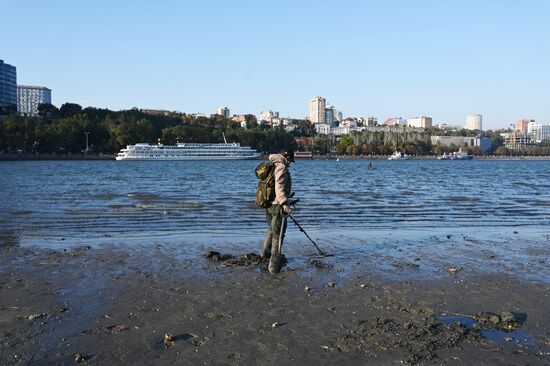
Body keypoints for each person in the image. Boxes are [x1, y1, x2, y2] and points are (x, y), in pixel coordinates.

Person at [261, 150, 294, 273]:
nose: (290, 163)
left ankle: (265, 254)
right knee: (278, 233)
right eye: (290, 160)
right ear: (287, 158)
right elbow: (279, 186)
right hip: (277, 205)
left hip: (268, 204)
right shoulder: (281, 167)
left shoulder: (271, 164)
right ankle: (274, 264)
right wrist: (284, 203)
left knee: (271, 228)